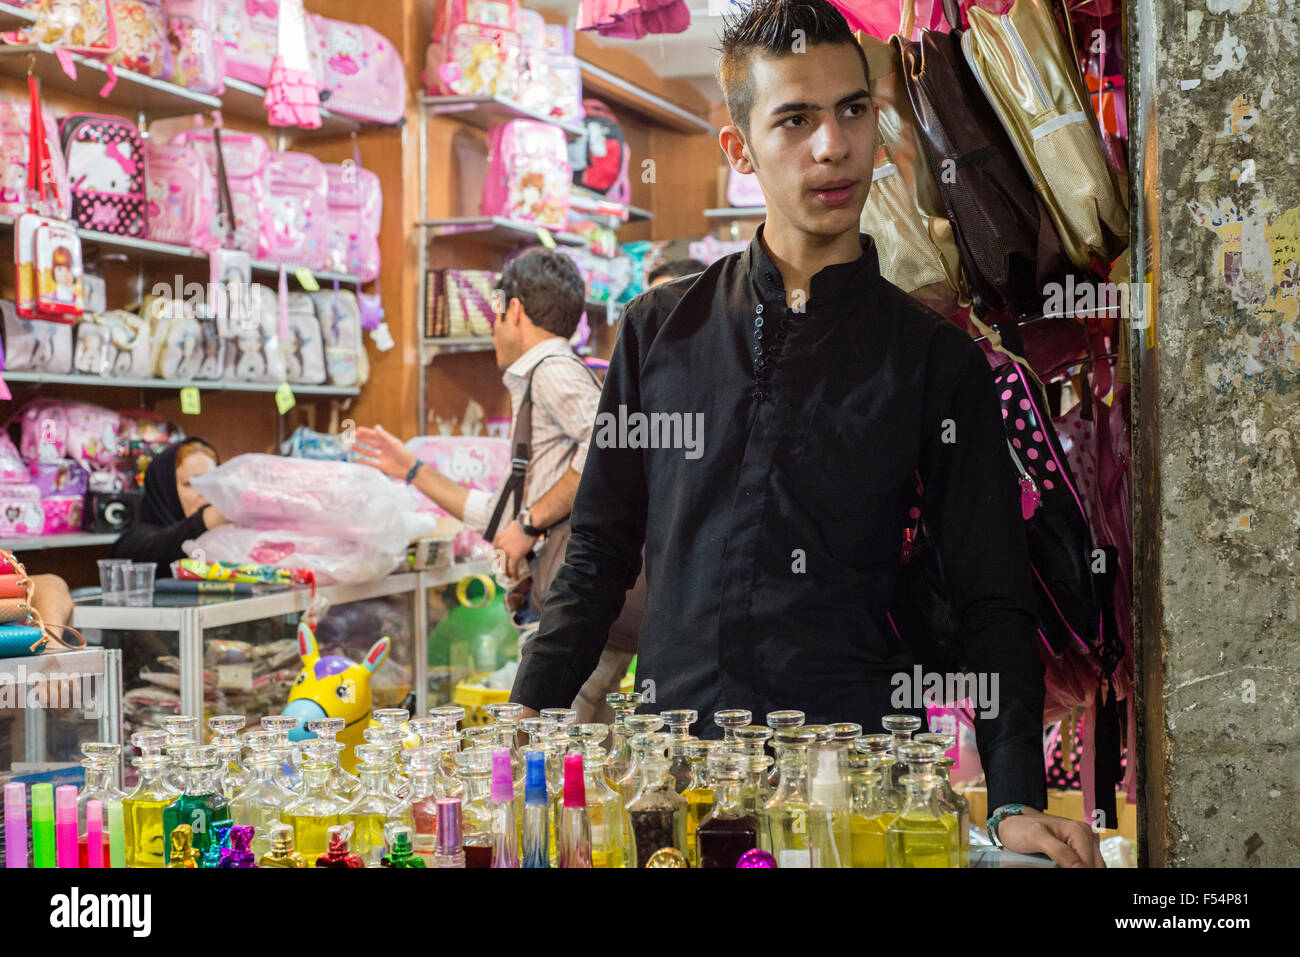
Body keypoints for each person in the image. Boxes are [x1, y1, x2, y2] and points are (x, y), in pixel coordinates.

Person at [508, 0, 1103, 867]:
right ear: (740, 147)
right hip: (673, 781)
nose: (833, 147)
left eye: (852, 111)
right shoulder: (658, 332)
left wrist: (1013, 794)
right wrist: (525, 719)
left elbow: (992, 597)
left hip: (854, 791)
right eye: (795, 119)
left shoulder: (936, 360)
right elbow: (598, 553)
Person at [353, 249, 640, 724]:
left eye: (495, 314)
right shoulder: (542, 380)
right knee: (580, 757)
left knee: (546, 753)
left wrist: (529, 523)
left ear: (514, 309)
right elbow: (506, 515)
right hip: (557, 601)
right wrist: (412, 470)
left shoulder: (552, 371)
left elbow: (608, 447)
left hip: (570, 605)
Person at [113, 438, 228, 577]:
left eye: (211, 483)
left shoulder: (226, 538)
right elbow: (149, 552)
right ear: (165, 489)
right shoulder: (133, 544)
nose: (205, 493)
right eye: (190, 484)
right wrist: (204, 520)